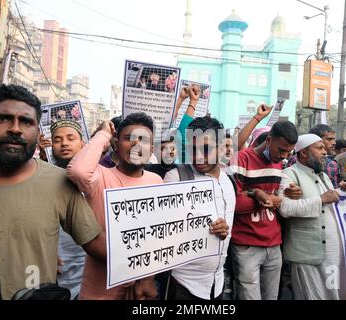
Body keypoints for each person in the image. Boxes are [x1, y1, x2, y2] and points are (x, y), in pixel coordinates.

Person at [0, 84, 107, 299]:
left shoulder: (59, 182)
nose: (15, 129)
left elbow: (98, 247)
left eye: (26, 121)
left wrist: (146, 272)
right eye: (3, 119)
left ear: (38, 133)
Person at [67, 112, 161, 300]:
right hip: (98, 294)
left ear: (151, 149)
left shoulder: (157, 181)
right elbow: (77, 171)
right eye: (128, 138)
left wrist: (146, 278)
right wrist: (103, 134)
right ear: (116, 145)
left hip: (140, 292)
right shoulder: (100, 176)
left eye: (143, 140)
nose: (136, 144)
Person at [163, 116, 235, 300]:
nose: (198, 157)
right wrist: (205, 230)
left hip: (217, 285)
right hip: (184, 286)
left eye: (206, 149)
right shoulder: (176, 178)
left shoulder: (229, 181)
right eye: (193, 149)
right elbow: (162, 233)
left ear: (221, 148)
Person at [229, 120, 300, 300]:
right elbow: (232, 203)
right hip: (246, 243)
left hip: (274, 243)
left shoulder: (278, 164)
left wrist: (287, 194)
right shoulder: (241, 159)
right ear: (268, 140)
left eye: (289, 152)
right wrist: (259, 196)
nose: (284, 156)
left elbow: (276, 197)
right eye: (281, 150)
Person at [278, 134, 346, 300]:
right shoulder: (289, 174)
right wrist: (321, 200)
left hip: (332, 253)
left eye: (324, 148)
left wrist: (345, 191)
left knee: (333, 295)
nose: (325, 152)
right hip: (306, 253)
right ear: (304, 153)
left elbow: (332, 203)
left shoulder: (323, 176)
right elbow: (286, 208)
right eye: (319, 148)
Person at [49, 119, 87, 299]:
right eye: (57, 140)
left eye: (70, 138)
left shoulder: (98, 178)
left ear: (83, 143)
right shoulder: (43, 179)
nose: (64, 143)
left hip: (90, 269)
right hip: (56, 268)